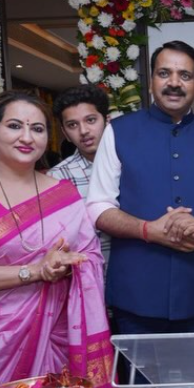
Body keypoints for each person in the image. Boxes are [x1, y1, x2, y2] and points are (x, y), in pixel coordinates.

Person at [0, 91, 114, 388]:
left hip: (55, 338)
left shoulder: (64, 194)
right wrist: (34, 271)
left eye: (37, 129)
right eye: (15, 126)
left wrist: (67, 267)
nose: (27, 137)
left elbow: (89, 258)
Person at [87, 40, 194, 336]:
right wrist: (147, 230)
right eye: (164, 73)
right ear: (151, 80)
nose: (174, 83)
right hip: (135, 293)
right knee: (138, 382)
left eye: (184, 76)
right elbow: (98, 207)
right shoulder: (119, 132)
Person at [49, 84, 111, 266]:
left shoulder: (130, 162)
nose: (83, 131)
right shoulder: (58, 177)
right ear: (65, 133)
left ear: (107, 121)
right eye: (73, 125)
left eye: (91, 120)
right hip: (89, 272)